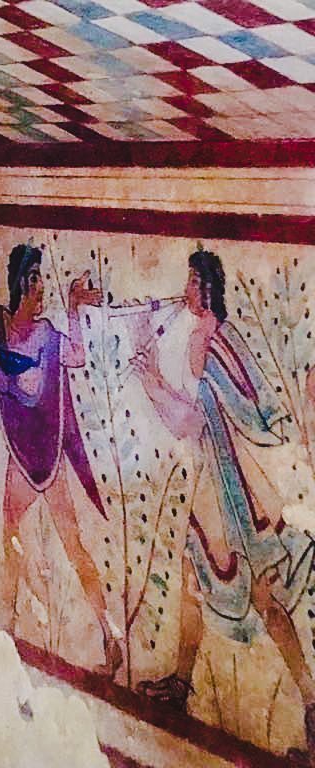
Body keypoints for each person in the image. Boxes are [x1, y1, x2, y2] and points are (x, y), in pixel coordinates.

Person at [131, 249, 315, 766]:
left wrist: (151, 379)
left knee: (264, 598)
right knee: (193, 577)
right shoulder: (209, 336)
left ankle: (311, 704)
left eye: (193, 280)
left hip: (242, 490)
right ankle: (181, 683)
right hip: (220, 484)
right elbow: (199, 417)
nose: (186, 289)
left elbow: (200, 417)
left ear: (207, 287)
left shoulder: (213, 340)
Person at [0, 244, 121, 678]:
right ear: (21, 284)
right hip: (20, 452)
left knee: (72, 542)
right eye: (35, 281)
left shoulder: (48, 334)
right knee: (10, 536)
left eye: (42, 281)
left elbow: (76, 357)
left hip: (48, 454)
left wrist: (74, 308)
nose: (41, 290)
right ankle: (9, 630)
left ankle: (108, 634)